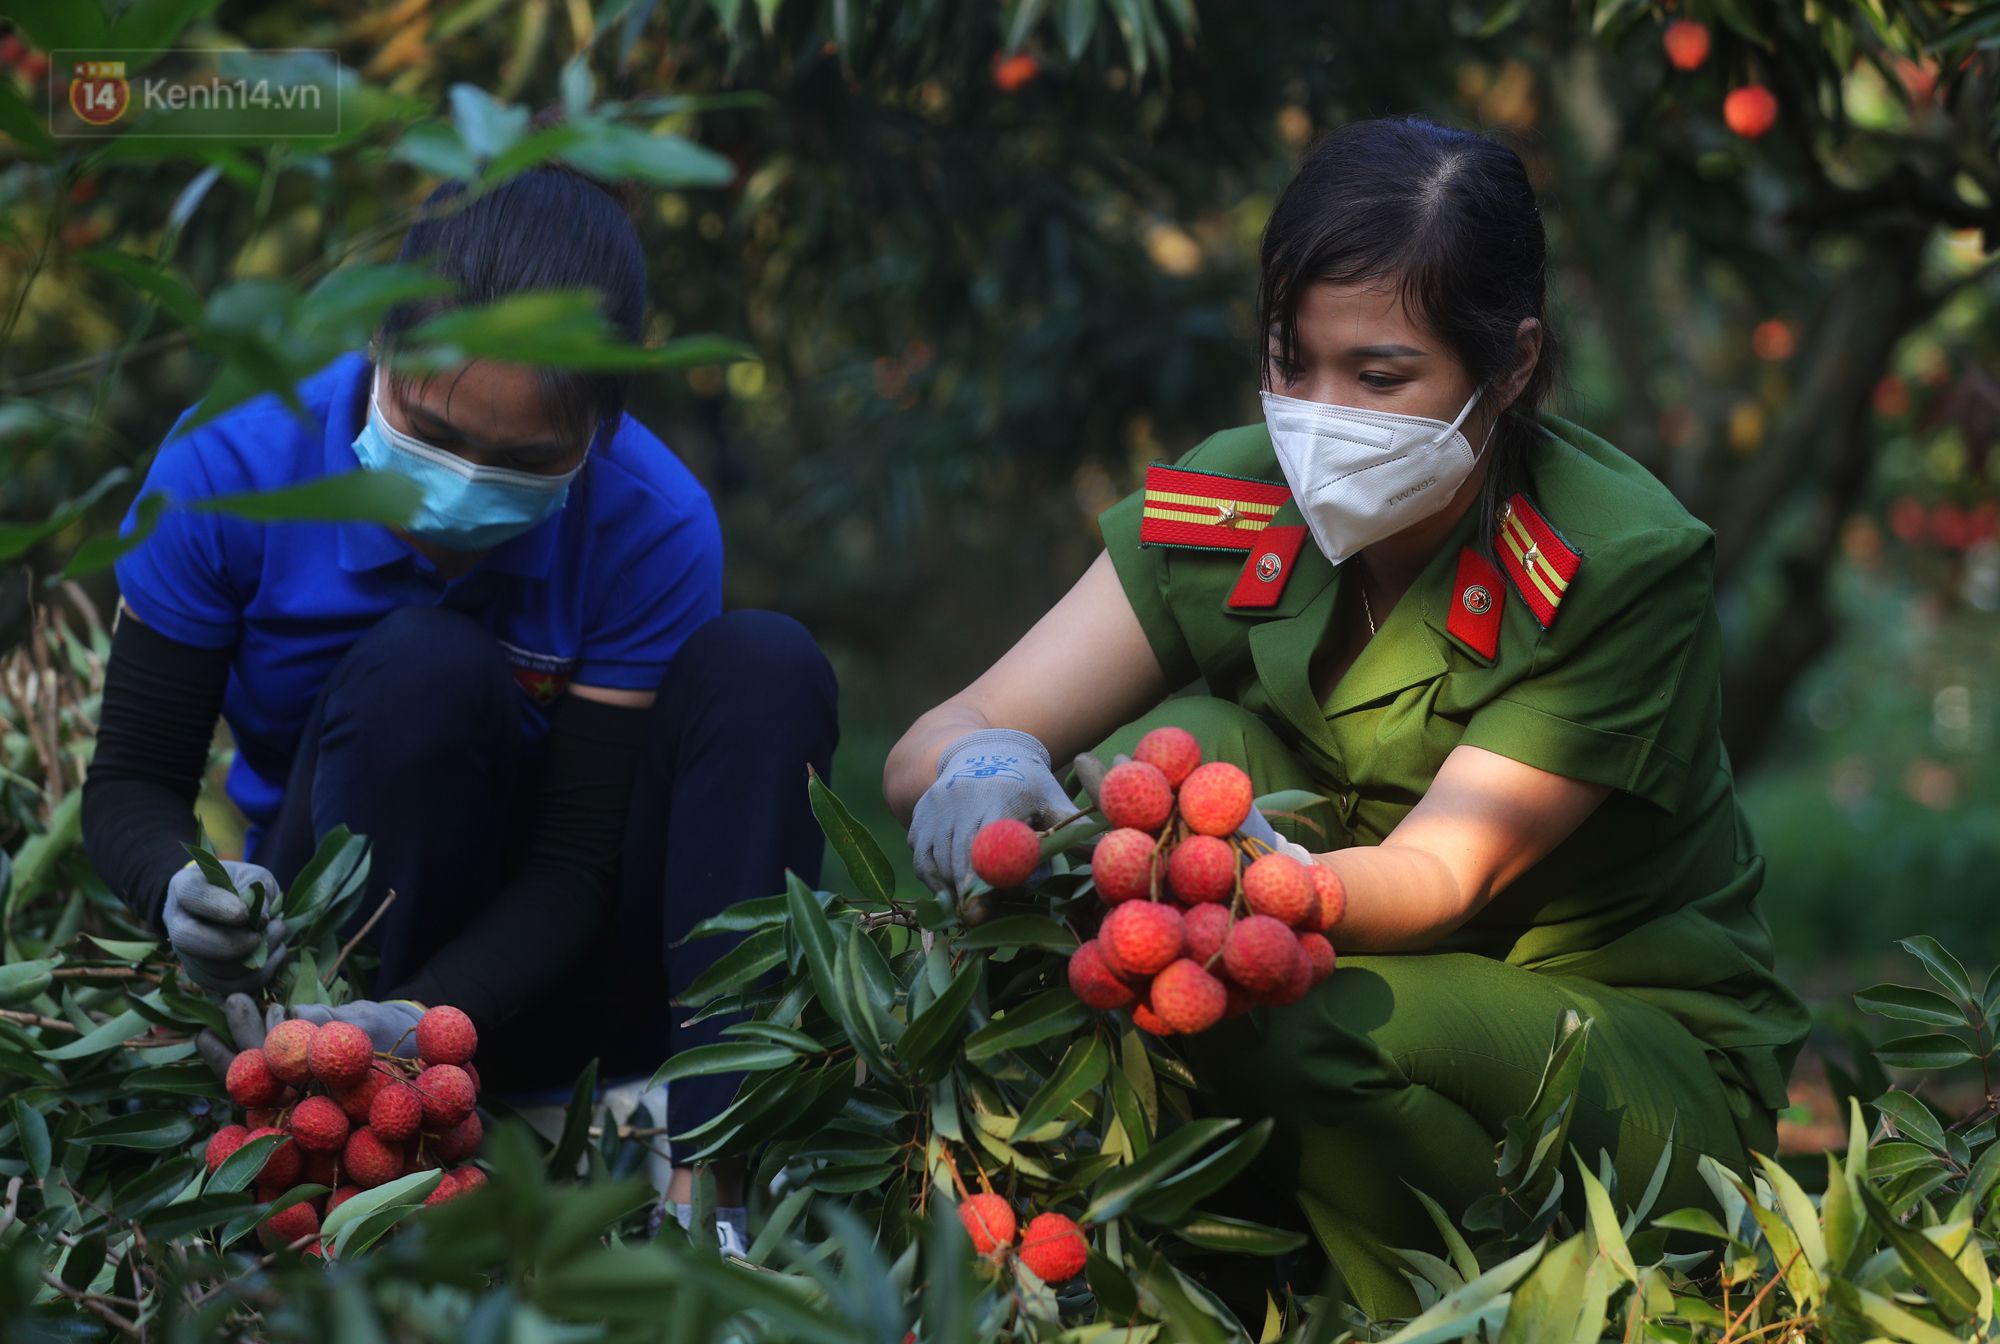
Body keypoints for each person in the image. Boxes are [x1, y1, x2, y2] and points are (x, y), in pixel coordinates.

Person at [885, 116, 1808, 1314]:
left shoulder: (1611, 563)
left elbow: (1439, 875)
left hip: (1613, 1042)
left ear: (1511, 364)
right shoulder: (1231, 497)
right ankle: (1183, 1264)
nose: (1319, 415)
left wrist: (1275, 889)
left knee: (1304, 1018)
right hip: (1344, 958)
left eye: (1378, 377)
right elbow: (947, 730)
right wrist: (986, 771)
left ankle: (1440, 1315)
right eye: (1289, 360)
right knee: (1172, 767)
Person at [81, 159, 839, 1247]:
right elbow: (130, 787)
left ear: (603, 433)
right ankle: (357, 1166)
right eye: (430, 432)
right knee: (424, 669)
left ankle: (716, 1187)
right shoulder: (230, 463)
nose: (459, 484)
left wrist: (445, 1019)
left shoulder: (651, 522)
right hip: (346, 980)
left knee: (766, 665)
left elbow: (580, 859)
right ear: (376, 345)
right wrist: (177, 887)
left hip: (561, 967)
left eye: (521, 460)